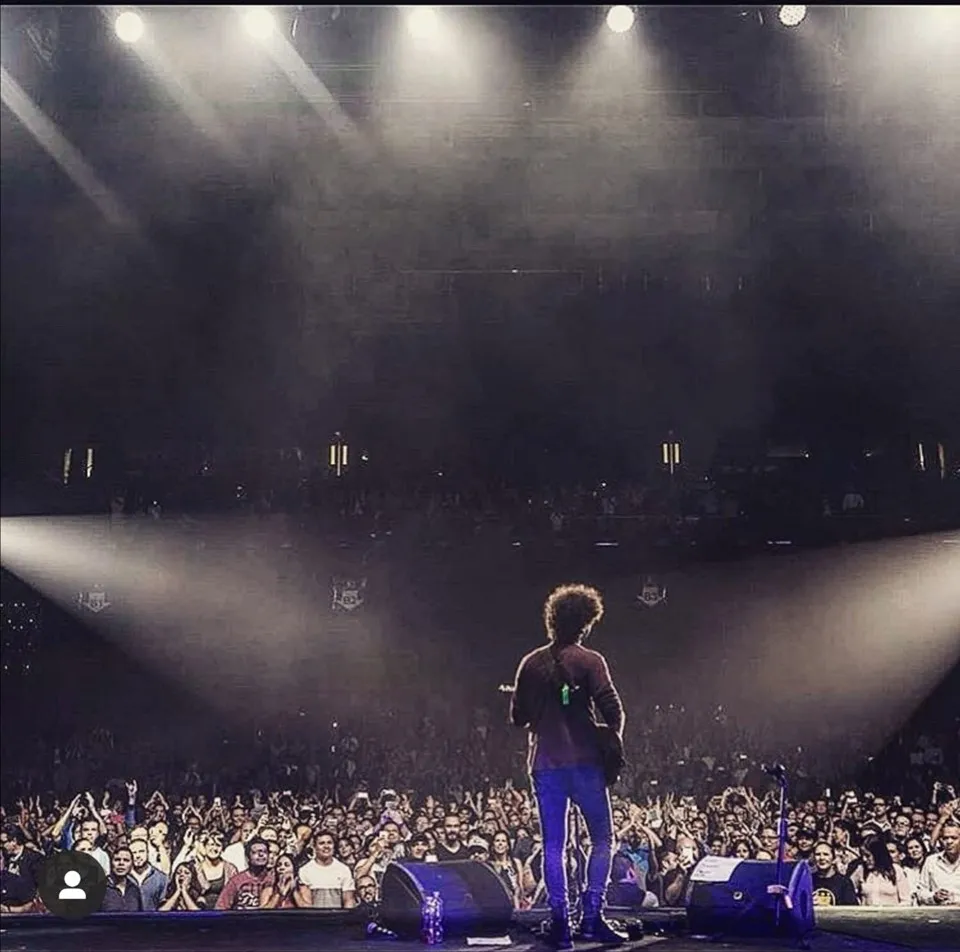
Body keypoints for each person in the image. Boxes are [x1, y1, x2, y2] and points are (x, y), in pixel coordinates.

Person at [509, 583, 627, 950]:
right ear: (585, 624)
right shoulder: (591, 661)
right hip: (587, 764)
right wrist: (610, 743)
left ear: (552, 620)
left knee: (554, 845)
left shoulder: (530, 663)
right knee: (603, 839)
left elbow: (517, 717)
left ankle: (560, 924)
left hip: (545, 763)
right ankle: (592, 917)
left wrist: (537, 707)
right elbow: (614, 710)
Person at [297, 832, 357, 909]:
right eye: (322, 843)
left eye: (329, 843)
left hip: (337, 918)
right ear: (315, 847)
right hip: (314, 919)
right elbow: (307, 905)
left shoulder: (344, 870)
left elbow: (348, 901)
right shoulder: (305, 870)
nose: (326, 846)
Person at [915, 819, 960, 906]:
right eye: (945, 838)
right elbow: (921, 893)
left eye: (954, 838)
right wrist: (934, 897)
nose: (949, 842)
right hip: (938, 914)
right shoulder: (931, 861)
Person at [810, 842, 859, 906]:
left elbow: (852, 910)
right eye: (818, 854)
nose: (822, 858)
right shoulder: (808, 880)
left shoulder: (844, 882)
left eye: (826, 854)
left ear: (833, 859)